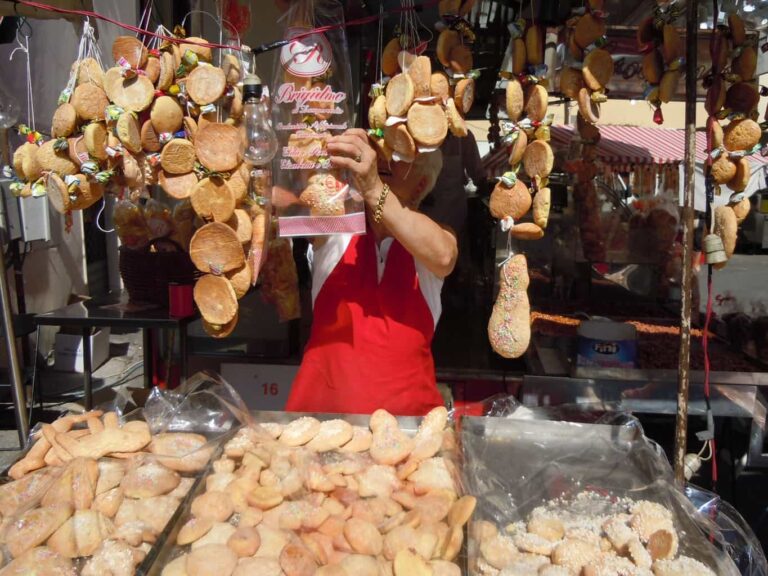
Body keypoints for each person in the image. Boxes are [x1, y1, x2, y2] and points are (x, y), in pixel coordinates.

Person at [285, 129, 458, 416]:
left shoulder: (434, 238)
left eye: (401, 155)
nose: (384, 158)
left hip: (407, 428)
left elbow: (443, 255)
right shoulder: (338, 224)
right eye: (381, 150)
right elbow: (298, 194)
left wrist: (374, 187)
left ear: (422, 184)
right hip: (320, 421)